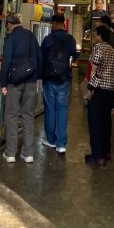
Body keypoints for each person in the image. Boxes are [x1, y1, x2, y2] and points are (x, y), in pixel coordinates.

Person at [0, 14, 42, 163]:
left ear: (9, 24)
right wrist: (37, 77)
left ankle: (10, 153)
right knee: (28, 116)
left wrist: (3, 84)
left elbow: (6, 62)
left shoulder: (10, 39)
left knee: (11, 115)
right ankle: (28, 153)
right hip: (30, 81)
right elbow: (39, 56)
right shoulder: (31, 36)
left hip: (14, 82)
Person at [85, 25, 114, 168]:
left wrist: (90, 88)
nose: (94, 37)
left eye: (95, 35)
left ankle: (98, 155)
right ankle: (106, 152)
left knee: (95, 122)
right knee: (106, 121)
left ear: (100, 36)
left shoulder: (99, 48)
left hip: (99, 90)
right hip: (111, 91)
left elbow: (95, 70)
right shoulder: (112, 50)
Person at [40, 14, 77, 154]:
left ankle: (50, 139)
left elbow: (41, 55)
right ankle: (61, 144)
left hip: (49, 79)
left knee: (50, 108)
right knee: (62, 109)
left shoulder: (48, 39)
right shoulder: (70, 39)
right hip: (64, 79)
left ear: (54, 23)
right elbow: (74, 56)